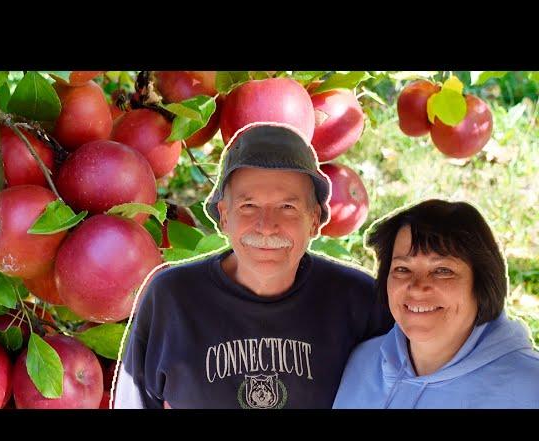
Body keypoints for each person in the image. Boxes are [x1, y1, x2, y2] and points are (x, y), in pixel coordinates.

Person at [114, 122, 392, 409]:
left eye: (288, 207)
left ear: (313, 220)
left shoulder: (360, 301)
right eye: (248, 206)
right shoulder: (172, 299)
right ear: (224, 216)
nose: (266, 226)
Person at [334, 199, 539, 408]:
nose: (417, 287)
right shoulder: (361, 362)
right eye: (402, 269)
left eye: (442, 271)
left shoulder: (530, 389)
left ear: (482, 283)